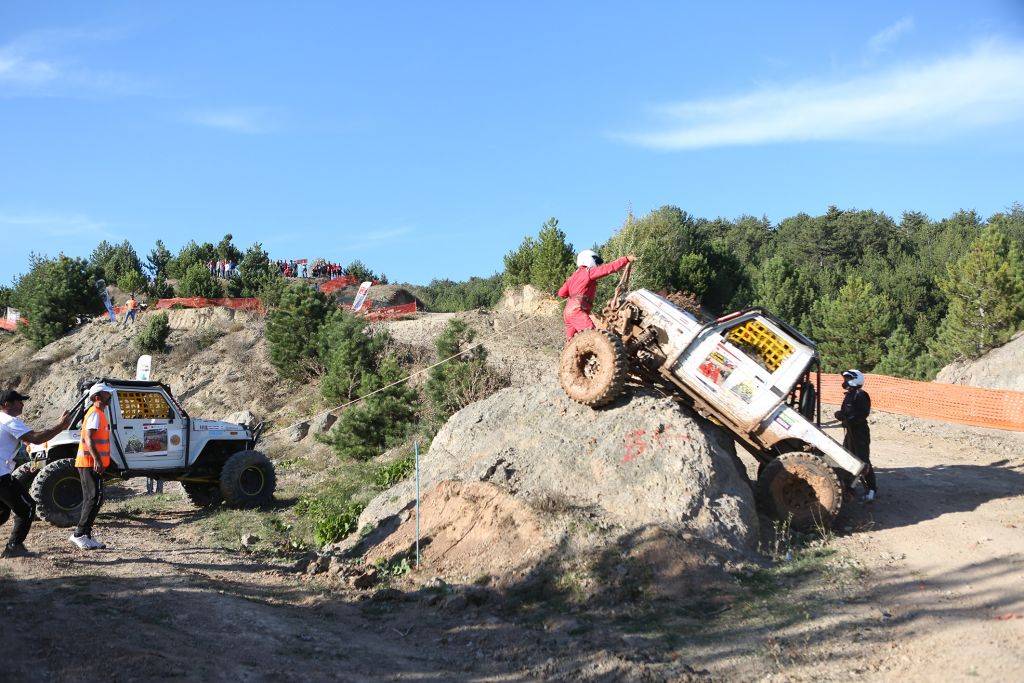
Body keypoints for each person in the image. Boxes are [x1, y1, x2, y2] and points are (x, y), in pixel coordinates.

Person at [0, 389, 71, 558]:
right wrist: (61, 426)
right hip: (1, 475)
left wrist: (35, 461)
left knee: (2, 511)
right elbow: (36, 438)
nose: (22, 404)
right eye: (19, 401)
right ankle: (13, 547)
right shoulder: (9, 421)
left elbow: (26, 441)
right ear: (7, 404)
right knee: (27, 507)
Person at [71, 383, 115, 550]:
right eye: (106, 395)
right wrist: (97, 460)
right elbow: (89, 438)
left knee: (93, 498)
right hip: (90, 463)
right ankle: (80, 534)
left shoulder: (98, 413)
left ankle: (85, 535)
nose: (109, 397)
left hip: (90, 463)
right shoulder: (95, 414)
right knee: (94, 498)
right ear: (97, 398)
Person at [557, 250, 636, 340]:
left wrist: (573, 290)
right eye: (595, 261)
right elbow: (608, 268)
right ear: (587, 259)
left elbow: (561, 293)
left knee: (571, 342)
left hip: (568, 311)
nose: (597, 264)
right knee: (593, 336)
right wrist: (625, 259)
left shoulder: (573, 277)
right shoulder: (588, 271)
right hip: (576, 309)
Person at [834, 369, 875, 502]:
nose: (845, 381)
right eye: (845, 378)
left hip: (859, 432)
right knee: (847, 458)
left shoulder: (861, 394)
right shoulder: (850, 394)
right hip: (850, 432)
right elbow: (847, 411)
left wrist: (848, 419)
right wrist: (841, 415)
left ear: (856, 379)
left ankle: (872, 490)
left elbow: (863, 414)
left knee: (863, 460)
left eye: (847, 378)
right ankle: (850, 487)